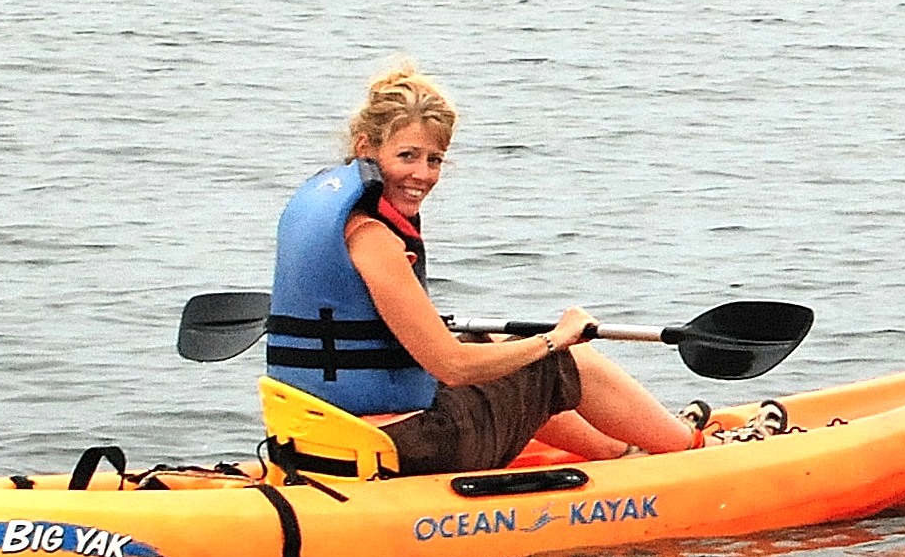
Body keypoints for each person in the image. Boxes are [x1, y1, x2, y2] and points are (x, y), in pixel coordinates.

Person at [266, 64, 701, 474]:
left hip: (322, 438)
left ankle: (616, 453)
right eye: (407, 156)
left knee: (495, 342)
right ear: (367, 149)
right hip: (409, 446)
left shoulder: (322, 210)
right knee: (566, 361)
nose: (422, 174)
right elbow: (452, 368)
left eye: (434, 160)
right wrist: (556, 339)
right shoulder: (373, 238)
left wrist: (513, 345)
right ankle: (695, 453)